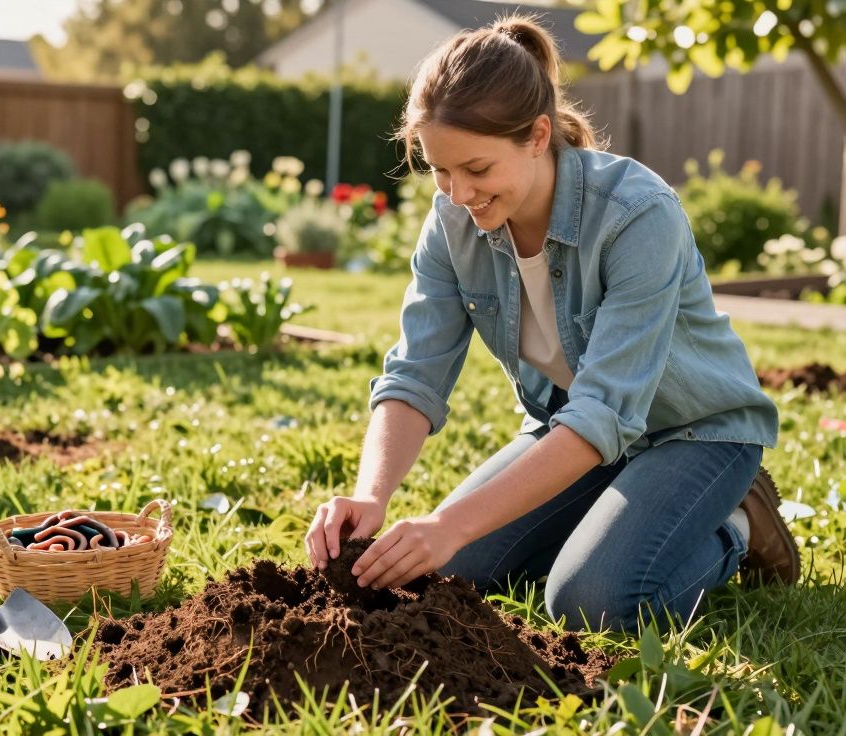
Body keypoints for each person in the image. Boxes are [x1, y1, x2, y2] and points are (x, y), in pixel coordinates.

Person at [303, 13, 799, 632]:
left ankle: (736, 526)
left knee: (591, 603)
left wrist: (449, 523)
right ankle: (612, 516)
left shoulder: (636, 215)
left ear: (538, 136)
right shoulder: (453, 222)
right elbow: (414, 375)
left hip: (694, 433)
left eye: (477, 170)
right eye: (440, 170)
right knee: (448, 574)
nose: (458, 194)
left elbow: (606, 411)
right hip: (574, 430)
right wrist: (371, 495)